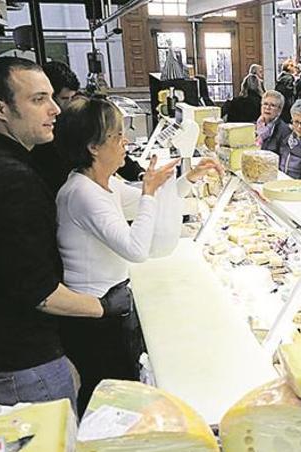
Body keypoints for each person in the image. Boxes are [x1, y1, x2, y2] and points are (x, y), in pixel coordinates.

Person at [0, 57, 132, 412]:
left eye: (51, 97)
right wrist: (104, 308)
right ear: (0, 108)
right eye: (38, 99)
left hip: (1, 352)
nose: (55, 109)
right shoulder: (9, 179)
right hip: (21, 359)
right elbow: (37, 290)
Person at [53, 97, 222, 414]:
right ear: (93, 146)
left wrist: (188, 178)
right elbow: (135, 248)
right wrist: (148, 191)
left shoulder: (102, 183)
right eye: (117, 135)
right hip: (94, 313)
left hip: (109, 302)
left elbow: (146, 202)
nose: (125, 141)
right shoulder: (82, 193)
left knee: (118, 388)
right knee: (108, 395)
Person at [31, 61, 82, 196]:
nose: (70, 104)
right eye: (65, 98)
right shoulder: (39, 130)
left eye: (73, 97)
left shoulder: (71, 116)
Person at [257, 90, 291, 156]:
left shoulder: (285, 131)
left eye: (272, 105)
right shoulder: (254, 127)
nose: (267, 108)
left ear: (279, 110)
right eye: (265, 104)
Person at [276, 59, 297, 123]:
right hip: (288, 104)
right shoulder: (289, 78)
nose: (295, 68)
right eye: (293, 66)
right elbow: (291, 92)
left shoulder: (280, 77)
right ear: (288, 67)